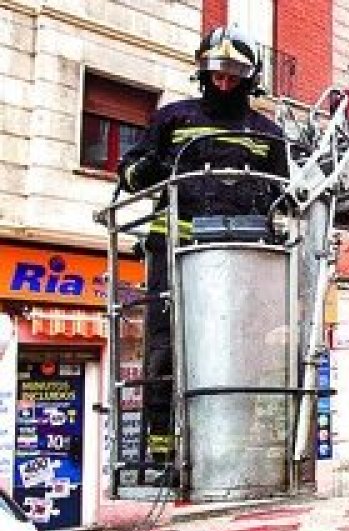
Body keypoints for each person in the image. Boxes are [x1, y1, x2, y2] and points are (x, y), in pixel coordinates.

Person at [118, 25, 287, 461]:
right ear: (204, 72)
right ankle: (162, 447)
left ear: (249, 79)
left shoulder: (268, 132)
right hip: (174, 246)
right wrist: (146, 169)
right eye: (217, 73)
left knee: (242, 345)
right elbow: (129, 173)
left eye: (233, 75)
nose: (224, 83)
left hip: (242, 255)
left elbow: (284, 195)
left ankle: (233, 441)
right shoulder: (172, 118)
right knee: (166, 342)